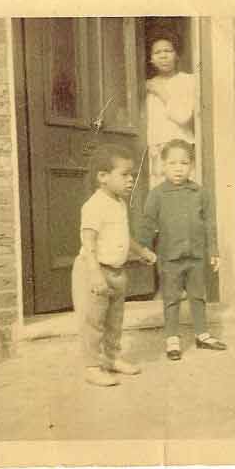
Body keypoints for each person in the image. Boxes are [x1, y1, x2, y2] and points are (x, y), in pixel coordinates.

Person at [72, 144, 157, 386]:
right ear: (103, 177)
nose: (131, 180)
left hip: (117, 272)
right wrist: (95, 274)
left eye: (132, 175)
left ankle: (111, 358)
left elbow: (123, 236)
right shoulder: (94, 206)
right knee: (93, 321)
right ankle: (91, 366)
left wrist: (141, 251)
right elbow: (88, 242)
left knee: (114, 320)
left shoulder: (119, 204)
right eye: (124, 174)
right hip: (94, 271)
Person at [139, 139, 227, 360]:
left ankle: (202, 334)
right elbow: (148, 223)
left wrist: (213, 251)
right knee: (171, 297)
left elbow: (209, 224)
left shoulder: (200, 193)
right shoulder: (157, 195)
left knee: (198, 295)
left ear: (192, 166)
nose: (178, 168)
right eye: (172, 163)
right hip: (169, 257)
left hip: (196, 256)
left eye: (184, 163)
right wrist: (144, 248)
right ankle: (172, 339)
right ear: (162, 166)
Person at [146, 28, 195, 188]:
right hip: (157, 153)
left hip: (180, 151)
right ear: (151, 58)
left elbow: (183, 116)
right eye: (157, 52)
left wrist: (162, 93)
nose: (163, 56)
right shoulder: (148, 85)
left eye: (168, 50)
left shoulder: (188, 81)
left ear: (177, 55)